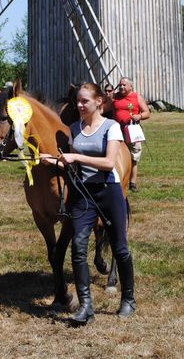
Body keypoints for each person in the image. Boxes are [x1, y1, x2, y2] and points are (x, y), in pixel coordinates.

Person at [40, 82, 136, 325]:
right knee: (78, 247)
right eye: (78, 102)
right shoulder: (74, 128)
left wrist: (76, 156)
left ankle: (128, 299)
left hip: (108, 191)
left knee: (120, 248)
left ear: (99, 102)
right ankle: (86, 307)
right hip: (82, 194)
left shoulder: (111, 127)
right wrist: (51, 160)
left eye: (85, 101)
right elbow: (72, 165)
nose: (80, 105)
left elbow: (108, 163)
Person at [112, 77, 150, 192]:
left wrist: (139, 116)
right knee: (115, 155)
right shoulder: (114, 97)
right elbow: (104, 109)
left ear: (130, 86)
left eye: (124, 85)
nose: (121, 87)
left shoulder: (137, 97)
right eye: (120, 85)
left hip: (132, 131)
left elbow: (147, 112)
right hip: (117, 131)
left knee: (133, 157)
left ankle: (132, 183)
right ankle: (117, 179)